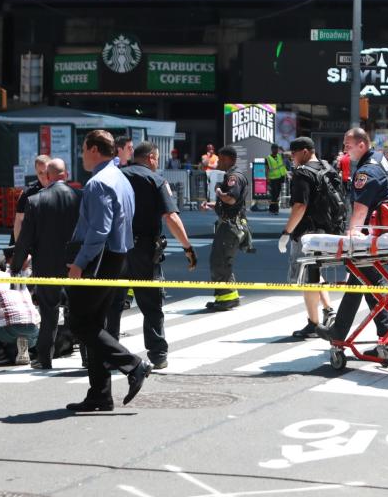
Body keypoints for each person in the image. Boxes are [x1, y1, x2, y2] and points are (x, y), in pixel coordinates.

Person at [66, 130, 151, 411]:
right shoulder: (121, 178)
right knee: (94, 325)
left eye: (83, 149)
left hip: (100, 259)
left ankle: (133, 364)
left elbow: (99, 230)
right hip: (118, 256)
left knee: (79, 323)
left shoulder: (98, 183)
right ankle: (99, 393)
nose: (81, 156)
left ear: (92, 149)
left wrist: (79, 262)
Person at [108, 142, 197, 368]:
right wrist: (187, 247)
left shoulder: (116, 176)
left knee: (113, 302)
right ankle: (157, 355)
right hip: (144, 250)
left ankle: (110, 354)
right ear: (150, 158)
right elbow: (171, 217)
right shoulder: (155, 180)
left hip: (116, 248)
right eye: (157, 159)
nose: (157, 163)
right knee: (151, 303)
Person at [315, 127, 388, 357]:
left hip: (369, 238)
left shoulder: (367, 172)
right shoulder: (380, 158)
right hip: (381, 233)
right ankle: (342, 332)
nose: (344, 150)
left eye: (348, 145)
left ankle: (386, 336)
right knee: (360, 281)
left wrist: (350, 241)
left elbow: (360, 211)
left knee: (367, 280)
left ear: (361, 145)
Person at [11, 158, 81, 370]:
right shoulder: (80, 197)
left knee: (48, 313)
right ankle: (88, 356)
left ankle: (44, 357)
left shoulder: (36, 201)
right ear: (65, 175)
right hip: (75, 264)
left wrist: (16, 265)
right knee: (80, 310)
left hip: (46, 265)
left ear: (49, 176)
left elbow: (25, 238)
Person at [277, 137, 335, 338]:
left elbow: (300, 206)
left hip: (307, 234)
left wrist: (286, 232)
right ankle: (329, 310)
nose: (291, 158)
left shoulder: (302, 173)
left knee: (306, 277)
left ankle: (314, 323)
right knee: (314, 272)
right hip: (327, 231)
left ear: (304, 151)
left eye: (293, 154)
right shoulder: (328, 167)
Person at [202, 145, 250, 312]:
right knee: (222, 260)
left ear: (230, 159)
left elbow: (231, 199)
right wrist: (211, 204)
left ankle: (227, 298)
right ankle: (226, 296)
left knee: (220, 261)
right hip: (231, 223)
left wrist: (218, 193)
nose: (219, 162)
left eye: (221, 159)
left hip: (230, 226)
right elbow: (229, 203)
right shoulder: (233, 175)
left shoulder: (233, 176)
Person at [13, 154, 50, 242]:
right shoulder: (28, 192)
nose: (44, 175)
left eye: (46, 172)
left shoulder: (59, 188)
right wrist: (19, 248)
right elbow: (19, 221)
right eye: (40, 173)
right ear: (36, 172)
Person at [264, 144, 288, 215]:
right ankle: (275, 209)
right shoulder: (268, 158)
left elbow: (288, 154)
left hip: (280, 178)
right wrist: (267, 178)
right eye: (274, 149)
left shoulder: (280, 156)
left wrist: (282, 149)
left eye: (277, 149)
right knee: (275, 194)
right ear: (272, 149)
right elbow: (266, 169)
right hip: (273, 178)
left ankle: (272, 209)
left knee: (276, 194)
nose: (276, 150)